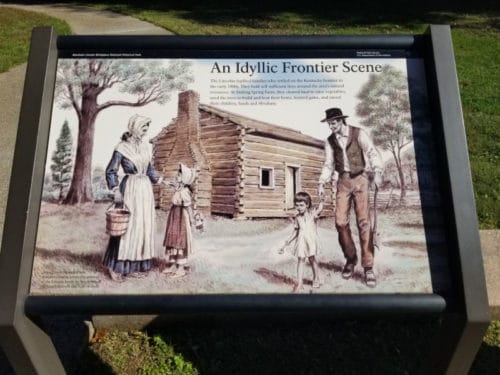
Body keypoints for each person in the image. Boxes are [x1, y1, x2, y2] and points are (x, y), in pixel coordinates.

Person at [317, 107, 383, 287]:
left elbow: (371, 152)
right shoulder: (329, 142)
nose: (331, 126)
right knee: (340, 222)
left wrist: (377, 172)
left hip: (361, 179)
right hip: (343, 181)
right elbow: (329, 165)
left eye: (334, 122)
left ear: (341, 121)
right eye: (329, 123)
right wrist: (322, 182)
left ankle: (368, 267)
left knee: (364, 222)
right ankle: (351, 259)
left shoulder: (358, 133)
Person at [103, 114, 163, 281]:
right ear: (135, 127)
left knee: (142, 227)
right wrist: (115, 190)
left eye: (147, 128)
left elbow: (150, 171)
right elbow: (111, 171)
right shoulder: (121, 147)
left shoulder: (144, 147)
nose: (146, 131)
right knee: (126, 229)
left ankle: (135, 266)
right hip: (130, 189)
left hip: (145, 191)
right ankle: (116, 267)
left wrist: (164, 181)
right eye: (144, 127)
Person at [280, 191, 324, 292]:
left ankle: (316, 278)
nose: (299, 207)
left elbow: (320, 208)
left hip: (311, 241)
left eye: (301, 205)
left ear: (307, 205)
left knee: (312, 259)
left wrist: (322, 200)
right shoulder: (297, 218)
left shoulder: (313, 214)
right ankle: (299, 283)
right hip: (301, 242)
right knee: (301, 260)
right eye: (297, 205)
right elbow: (295, 232)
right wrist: (286, 244)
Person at [162, 163, 198, 278]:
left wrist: (192, 220)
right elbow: (170, 183)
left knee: (179, 240)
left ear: (184, 179)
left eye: (179, 175)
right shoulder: (178, 187)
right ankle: (172, 264)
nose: (176, 176)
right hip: (174, 216)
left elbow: (188, 207)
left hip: (181, 218)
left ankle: (181, 268)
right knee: (172, 239)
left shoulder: (184, 192)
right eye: (177, 174)